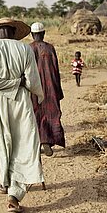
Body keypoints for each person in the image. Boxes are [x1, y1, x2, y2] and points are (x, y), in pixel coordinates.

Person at [0, 18, 44, 213]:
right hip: (21, 101)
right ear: (14, 32)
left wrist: (8, 83)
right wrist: (24, 86)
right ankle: (14, 193)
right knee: (24, 143)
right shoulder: (25, 49)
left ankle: (5, 183)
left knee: (2, 141)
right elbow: (31, 80)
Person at [29, 22, 65, 156]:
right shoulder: (50, 48)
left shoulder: (28, 48)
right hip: (51, 87)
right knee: (52, 113)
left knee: (35, 114)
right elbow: (56, 70)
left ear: (32, 34)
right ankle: (48, 141)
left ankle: (39, 141)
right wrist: (58, 89)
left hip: (34, 89)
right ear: (43, 33)